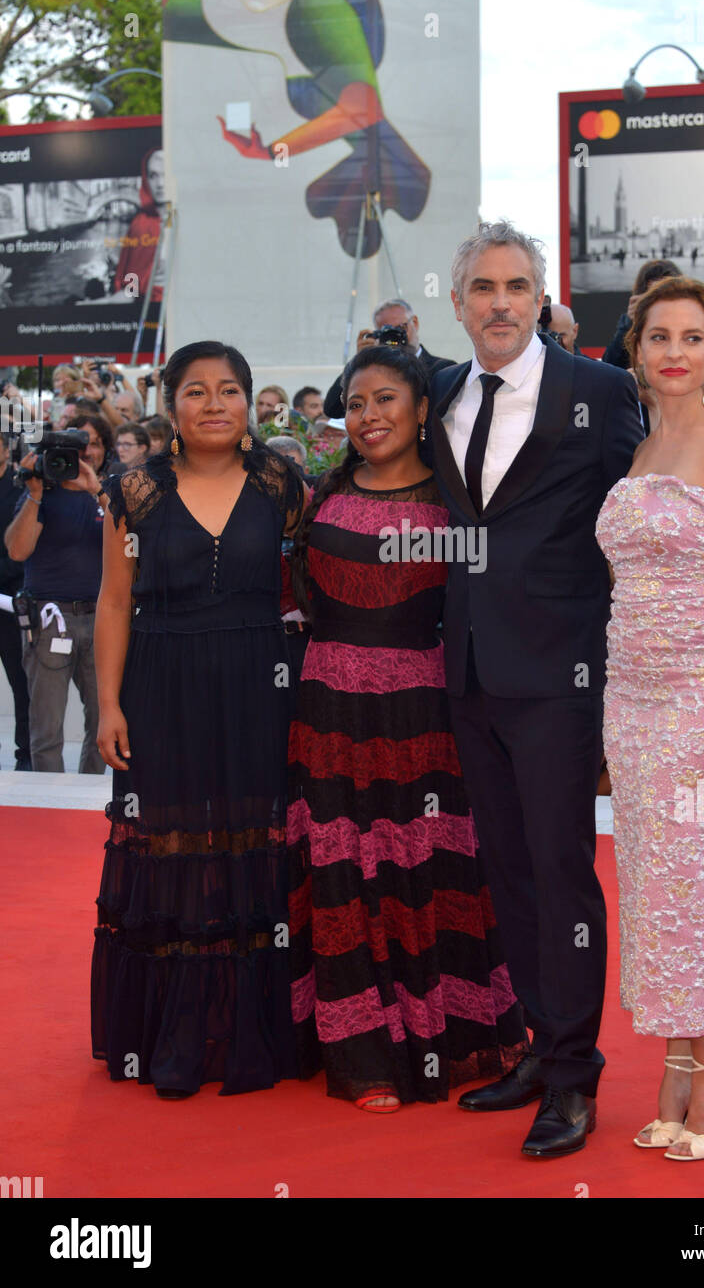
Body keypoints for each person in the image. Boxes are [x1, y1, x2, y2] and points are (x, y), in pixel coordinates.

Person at [428, 220, 643, 1158]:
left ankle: (574, 1077)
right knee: (508, 872)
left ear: (542, 294)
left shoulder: (598, 390)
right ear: (459, 300)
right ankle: (534, 1042)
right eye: (483, 287)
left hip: (561, 679)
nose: (501, 302)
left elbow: (634, 525)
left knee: (562, 878)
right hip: (470, 671)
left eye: (517, 285)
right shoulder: (441, 390)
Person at [286, 345, 528, 1111]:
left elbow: (484, 606)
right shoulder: (321, 493)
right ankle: (357, 1050)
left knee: (415, 870)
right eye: (356, 405)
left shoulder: (454, 503)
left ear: (423, 410)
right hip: (326, 709)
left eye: (386, 400)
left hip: (421, 715)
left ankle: (432, 1039)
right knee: (342, 874)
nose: (369, 418)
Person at [91, 340, 310, 1098]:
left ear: (249, 405)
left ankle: (255, 1032)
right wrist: (110, 703)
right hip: (162, 685)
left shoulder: (284, 484)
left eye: (229, 390)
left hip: (260, 683)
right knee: (174, 842)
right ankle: (178, 1034)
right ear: (171, 404)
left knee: (256, 841)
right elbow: (114, 600)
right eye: (195, 391)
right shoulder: (134, 491)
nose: (213, 403)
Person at [596, 274, 704, 1162]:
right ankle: (673, 1065)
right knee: (649, 886)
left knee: (689, 886)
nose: (673, 352)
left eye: (691, 338)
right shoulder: (639, 451)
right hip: (628, 699)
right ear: (638, 349)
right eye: (658, 337)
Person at [163, 0, 430, 259]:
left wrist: (274, 151)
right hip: (380, 176)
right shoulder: (263, 14)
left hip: (387, 179)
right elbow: (170, 19)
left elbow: (362, 109)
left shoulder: (317, 6)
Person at [5, 412, 111, 774]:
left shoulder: (112, 492)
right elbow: (17, 551)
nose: (83, 453)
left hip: (102, 619)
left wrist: (97, 490)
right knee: (46, 725)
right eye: (74, 444)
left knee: (102, 721)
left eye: (92, 444)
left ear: (102, 449)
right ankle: (48, 803)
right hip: (49, 618)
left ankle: (90, 798)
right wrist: (34, 494)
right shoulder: (41, 493)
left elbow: (134, 544)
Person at [323, 298, 455, 419]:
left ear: (415, 323)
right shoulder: (372, 375)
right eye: (387, 332)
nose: (395, 336)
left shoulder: (443, 369)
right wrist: (359, 362)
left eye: (400, 328)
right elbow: (332, 409)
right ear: (378, 335)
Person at [0, 431, 31, 770]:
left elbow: (23, 549)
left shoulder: (21, 487)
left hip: (11, 601)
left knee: (20, 684)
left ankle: (26, 756)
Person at [602, 260, 682, 370]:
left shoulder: (690, 320)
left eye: (665, 294)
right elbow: (609, 366)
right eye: (652, 295)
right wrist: (630, 324)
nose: (659, 302)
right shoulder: (632, 322)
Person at [111, 148, 168, 303]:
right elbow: (131, 291)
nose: (160, 184)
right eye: (153, 176)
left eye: (166, 174)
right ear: (146, 180)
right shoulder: (140, 226)